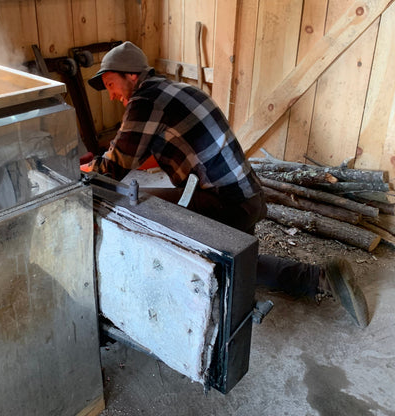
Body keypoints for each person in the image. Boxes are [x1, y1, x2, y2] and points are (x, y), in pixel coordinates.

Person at [87, 41, 370, 328]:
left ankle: (170, 300)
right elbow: (147, 149)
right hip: (247, 195)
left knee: (140, 208)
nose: (111, 95)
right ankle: (320, 278)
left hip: (226, 202)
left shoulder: (145, 101)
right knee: (238, 264)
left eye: (112, 84)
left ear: (132, 76)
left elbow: (115, 166)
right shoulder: (180, 91)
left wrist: (84, 172)